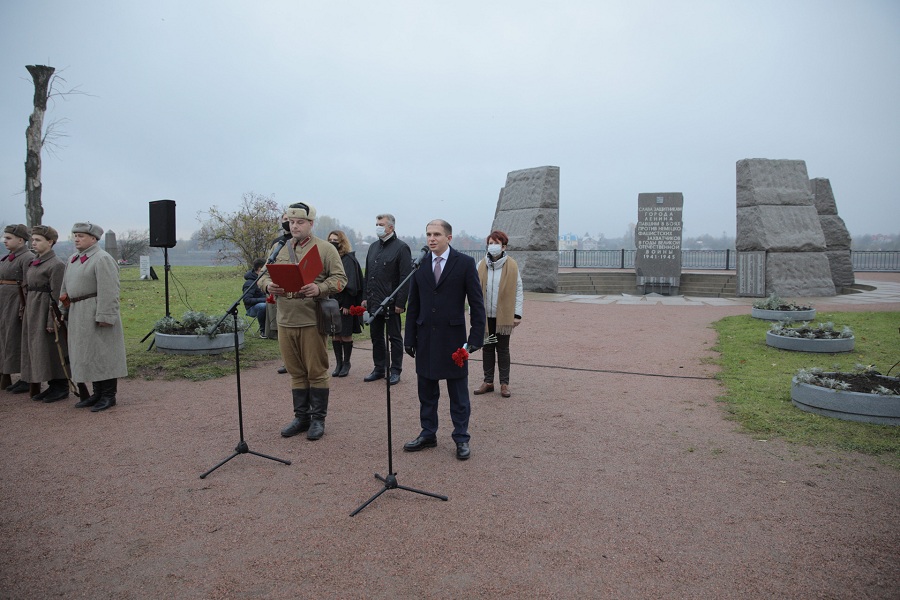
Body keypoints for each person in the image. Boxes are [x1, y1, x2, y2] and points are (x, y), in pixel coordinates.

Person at [257, 202, 347, 441]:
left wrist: (319, 288)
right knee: (296, 371)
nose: (294, 226)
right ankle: (301, 417)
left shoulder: (326, 249)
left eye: (300, 222)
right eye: (291, 222)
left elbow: (340, 280)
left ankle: (318, 419)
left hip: (311, 319)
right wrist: (268, 285)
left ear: (310, 224)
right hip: (285, 318)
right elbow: (263, 275)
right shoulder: (279, 248)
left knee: (316, 371)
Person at [403, 219, 485, 461]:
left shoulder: (465, 263)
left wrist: (475, 338)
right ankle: (428, 433)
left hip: (453, 341)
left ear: (449, 237)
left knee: (458, 394)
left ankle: (461, 437)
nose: (431, 238)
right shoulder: (420, 264)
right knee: (426, 392)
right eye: (428, 234)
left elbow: (477, 305)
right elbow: (413, 304)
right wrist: (409, 337)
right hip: (425, 338)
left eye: (437, 234)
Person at [59, 222, 128, 412]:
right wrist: (63, 309)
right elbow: (65, 287)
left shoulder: (102, 259)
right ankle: (96, 393)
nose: (76, 239)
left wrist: (106, 315)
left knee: (102, 354)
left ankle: (108, 395)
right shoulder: (73, 259)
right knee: (87, 354)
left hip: (94, 311)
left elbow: (110, 290)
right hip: (77, 311)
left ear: (93, 239)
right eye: (75, 235)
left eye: (81, 236)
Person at [21, 225, 70, 402]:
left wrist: (53, 320)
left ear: (50, 242)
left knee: (52, 348)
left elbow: (58, 295)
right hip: (33, 308)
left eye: (38, 240)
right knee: (39, 349)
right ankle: (51, 384)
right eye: (33, 240)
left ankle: (60, 386)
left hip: (47, 310)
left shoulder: (56, 265)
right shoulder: (34, 261)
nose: (33, 243)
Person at [362, 213, 412, 386]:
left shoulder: (401, 247)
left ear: (391, 227)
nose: (378, 226)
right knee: (376, 336)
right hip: (374, 301)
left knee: (395, 337)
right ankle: (379, 368)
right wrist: (365, 297)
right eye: (376, 223)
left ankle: (395, 370)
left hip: (391, 302)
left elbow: (405, 277)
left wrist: (400, 302)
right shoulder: (373, 247)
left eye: (381, 224)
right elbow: (368, 274)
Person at [474, 230, 523, 398]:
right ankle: (488, 381)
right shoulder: (481, 265)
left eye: (496, 243)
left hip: (503, 317)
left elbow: (518, 290)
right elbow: (474, 290)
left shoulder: (512, 265)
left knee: (502, 349)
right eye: (490, 243)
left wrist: (517, 314)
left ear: (504, 246)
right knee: (487, 348)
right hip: (487, 317)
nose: (492, 246)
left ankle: (504, 383)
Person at [0, 224, 35, 394]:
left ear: (21, 240)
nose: (5, 241)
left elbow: (29, 283)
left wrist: (25, 306)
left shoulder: (27, 258)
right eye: (4, 238)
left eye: (8, 238)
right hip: (5, 302)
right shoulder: (8, 257)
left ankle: (25, 378)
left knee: (18, 339)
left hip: (17, 301)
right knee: (6, 338)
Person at [326, 230, 363, 377]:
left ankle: (346, 362)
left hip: (345, 303)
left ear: (341, 242)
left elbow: (351, 284)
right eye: (329, 240)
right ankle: (339, 363)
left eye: (335, 240)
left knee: (345, 334)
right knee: (335, 334)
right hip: (332, 303)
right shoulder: (328, 258)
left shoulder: (348, 259)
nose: (332, 242)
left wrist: (348, 304)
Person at [242, 258, 268, 337]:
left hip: (266, 304)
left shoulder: (265, 280)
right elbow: (247, 300)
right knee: (263, 306)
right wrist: (264, 300)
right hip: (252, 309)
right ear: (260, 269)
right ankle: (263, 331)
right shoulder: (250, 283)